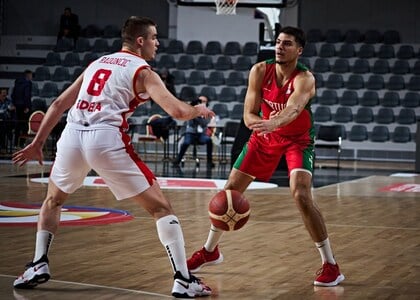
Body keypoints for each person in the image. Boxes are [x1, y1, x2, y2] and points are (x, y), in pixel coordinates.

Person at [12, 16, 213, 298]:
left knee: (53, 200)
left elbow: (58, 103)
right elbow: (177, 112)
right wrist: (196, 110)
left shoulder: (98, 62)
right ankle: (183, 279)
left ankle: (38, 263)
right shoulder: (144, 71)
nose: (157, 43)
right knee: (161, 208)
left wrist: (37, 143)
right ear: (140, 41)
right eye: (154, 38)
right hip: (105, 137)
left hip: (71, 135)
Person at [186, 26, 345, 287]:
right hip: (264, 137)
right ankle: (210, 251)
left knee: (301, 195)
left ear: (299, 50)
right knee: (229, 193)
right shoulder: (260, 70)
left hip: (298, 140)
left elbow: (294, 109)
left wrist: (275, 122)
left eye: (288, 43)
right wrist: (256, 123)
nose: (280, 47)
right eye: (278, 42)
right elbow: (248, 112)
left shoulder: (305, 78)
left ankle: (331, 264)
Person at [172, 95, 215, 168]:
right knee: (186, 142)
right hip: (190, 133)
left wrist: (197, 115)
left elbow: (205, 123)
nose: (201, 103)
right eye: (200, 101)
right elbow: (190, 122)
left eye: (204, 101)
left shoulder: (207, 112)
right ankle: (178, 160)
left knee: (209, 140)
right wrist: (194, 111)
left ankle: (209, 162)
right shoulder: (191, 110)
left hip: (201, 134)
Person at [11, 70, 32, 148]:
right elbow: (27, 95)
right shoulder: (28, 83)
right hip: (24, 106)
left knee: (17, 125)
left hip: (17, 105)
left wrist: (14, 104)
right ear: (28, 75)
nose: (31, 77)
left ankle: (16, 144)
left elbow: (13, 94)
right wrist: (27, 106)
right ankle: (22, 143)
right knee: (25, 126)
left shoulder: (17, 82)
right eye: (31, 75)